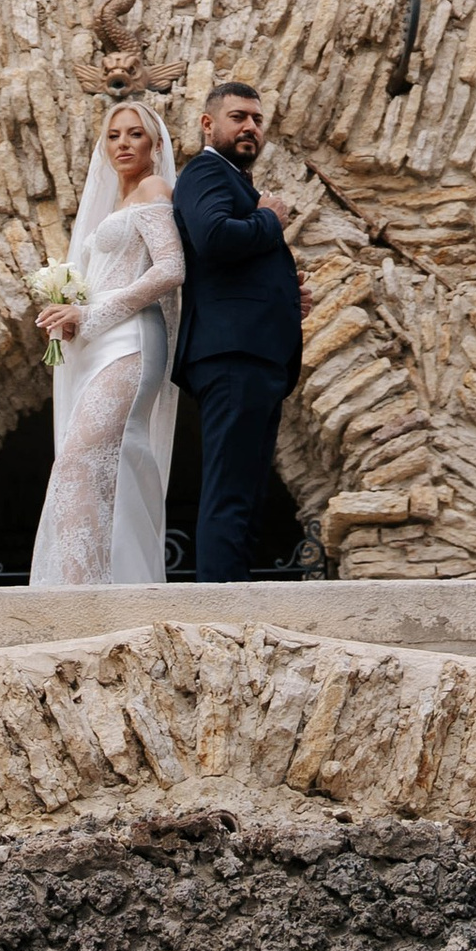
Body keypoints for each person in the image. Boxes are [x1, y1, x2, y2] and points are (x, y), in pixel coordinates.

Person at [27, 99, 185, 587]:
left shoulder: (154, 189)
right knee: (88, 463)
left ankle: (84, 589)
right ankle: (98, 582)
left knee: (79, 458)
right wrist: (71, 316)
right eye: (114, 135)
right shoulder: (116, 204)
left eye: (135, 134)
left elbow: (171, 268)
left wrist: (92, 313)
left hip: (132, 341)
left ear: (155, 144)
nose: (123, 144)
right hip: (99, 342)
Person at [170, 74, 305, 582]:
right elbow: (214, 238)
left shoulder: (235, 181)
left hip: (255, 353)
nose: (250, 127)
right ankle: (220, 599)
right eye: (238, 117)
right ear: (208, 124)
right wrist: (270, 219)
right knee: (230, 488)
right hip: (231, 355)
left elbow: (235, 266)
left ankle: (237, 592)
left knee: (247, 489)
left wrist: (286, 295)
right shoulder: (206, 171)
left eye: (257, 120)